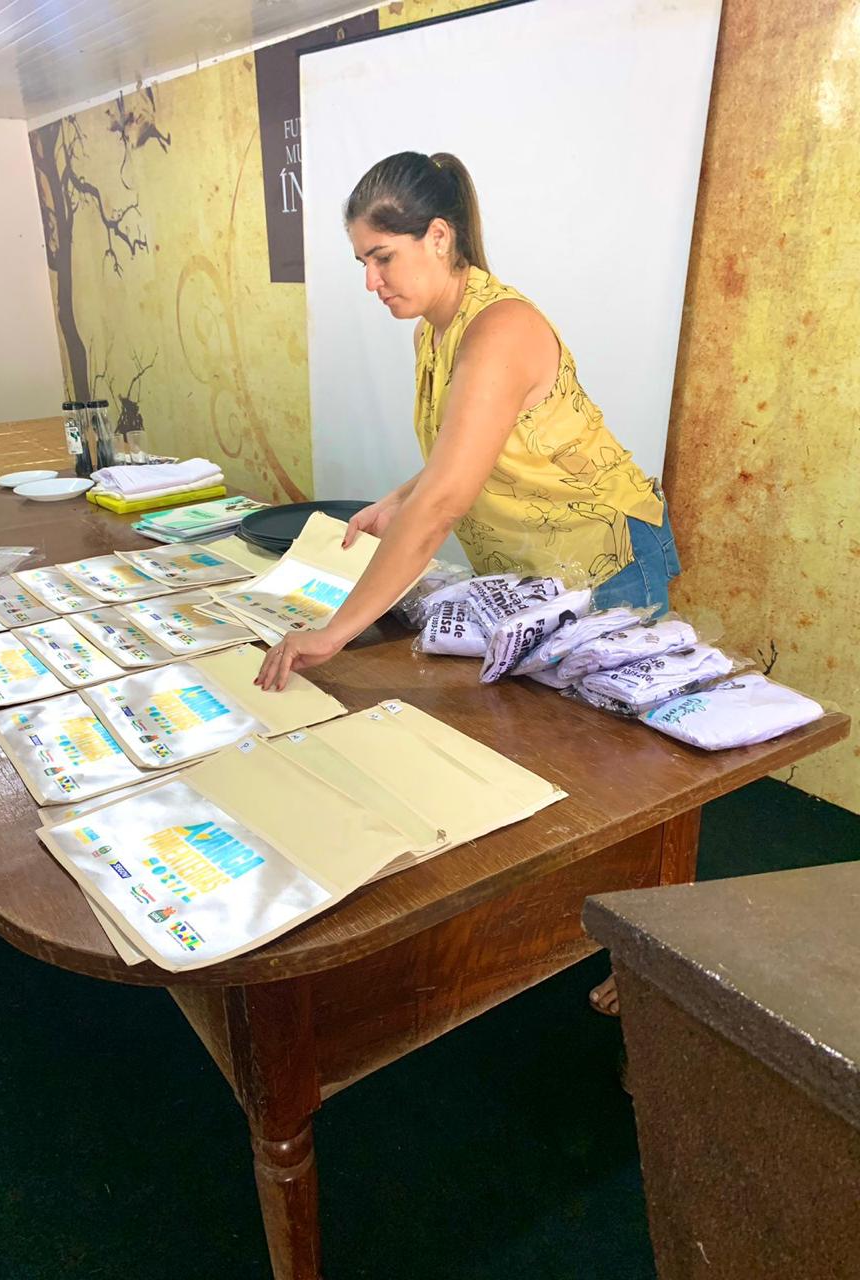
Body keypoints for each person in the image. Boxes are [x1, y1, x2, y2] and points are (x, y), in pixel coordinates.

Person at [256, 151, 682, 1015]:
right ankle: (569, 917)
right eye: (363, 262)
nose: (372, 282)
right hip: (530, 571)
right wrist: (396, 498)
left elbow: (447, 502)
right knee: (554, 746)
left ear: (439, 236)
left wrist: (334, 631)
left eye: (383, 257)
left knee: (633, 766)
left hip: (604, 557)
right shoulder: (433, 329)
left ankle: (653, 960)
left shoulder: (503, 328)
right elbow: (457, 454)